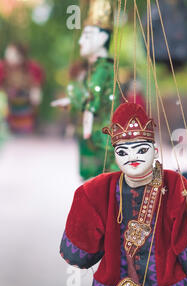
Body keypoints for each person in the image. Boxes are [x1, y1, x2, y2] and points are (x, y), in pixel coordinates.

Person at [60, 102, 187, 286]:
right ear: (115, 155)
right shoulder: (101, 189)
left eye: (141, 150)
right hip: (115, 285)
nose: (132, 157)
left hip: (164, 285)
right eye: (122, 152)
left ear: (155, 150)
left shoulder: (172, 183)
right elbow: (83, 239)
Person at [52, 0, 119, 180]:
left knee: (102, 181)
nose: (81, 41)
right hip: (92, 136)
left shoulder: (103, 69)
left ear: (103, 38)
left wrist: (86, 112)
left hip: (102, 138)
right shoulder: (93, 69)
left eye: (87, 36)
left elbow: (92, 99)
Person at [0, 43, 44, 134]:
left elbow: (37, 86)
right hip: (8, 105)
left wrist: (35, 91)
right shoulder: (2, 67)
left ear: (20, 55)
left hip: (25, 105)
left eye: (11, 53)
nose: (7, 55)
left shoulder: (32, 67)